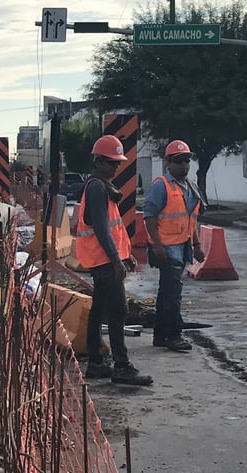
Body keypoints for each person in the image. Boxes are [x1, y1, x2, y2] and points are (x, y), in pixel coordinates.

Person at [75, 135, 153, 385]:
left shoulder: (100, 185)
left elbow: (113, 228)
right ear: (97, 162)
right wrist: (115, 260)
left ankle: (97, 363)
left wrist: (124, 255)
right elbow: (101, 228)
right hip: (104, 261)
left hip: (104, 259)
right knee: (119, 311)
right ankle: (121, 366)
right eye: (111, 163)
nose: (115, 168)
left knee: (99, 310)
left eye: (117, 163)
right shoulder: (97, 187)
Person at [143, 140, 205, 352]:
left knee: (167, 292)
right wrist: (157, 245)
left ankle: (161, 335)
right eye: (179, 161)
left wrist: (197, 244)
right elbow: (149, 216)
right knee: (173, 293)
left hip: (183, 246)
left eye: (187, 161)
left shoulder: (191, 187)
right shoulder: (161, 186)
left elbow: (191, 220)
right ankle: (173, 335)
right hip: (167, 247)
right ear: (168, 162)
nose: (184, 165)